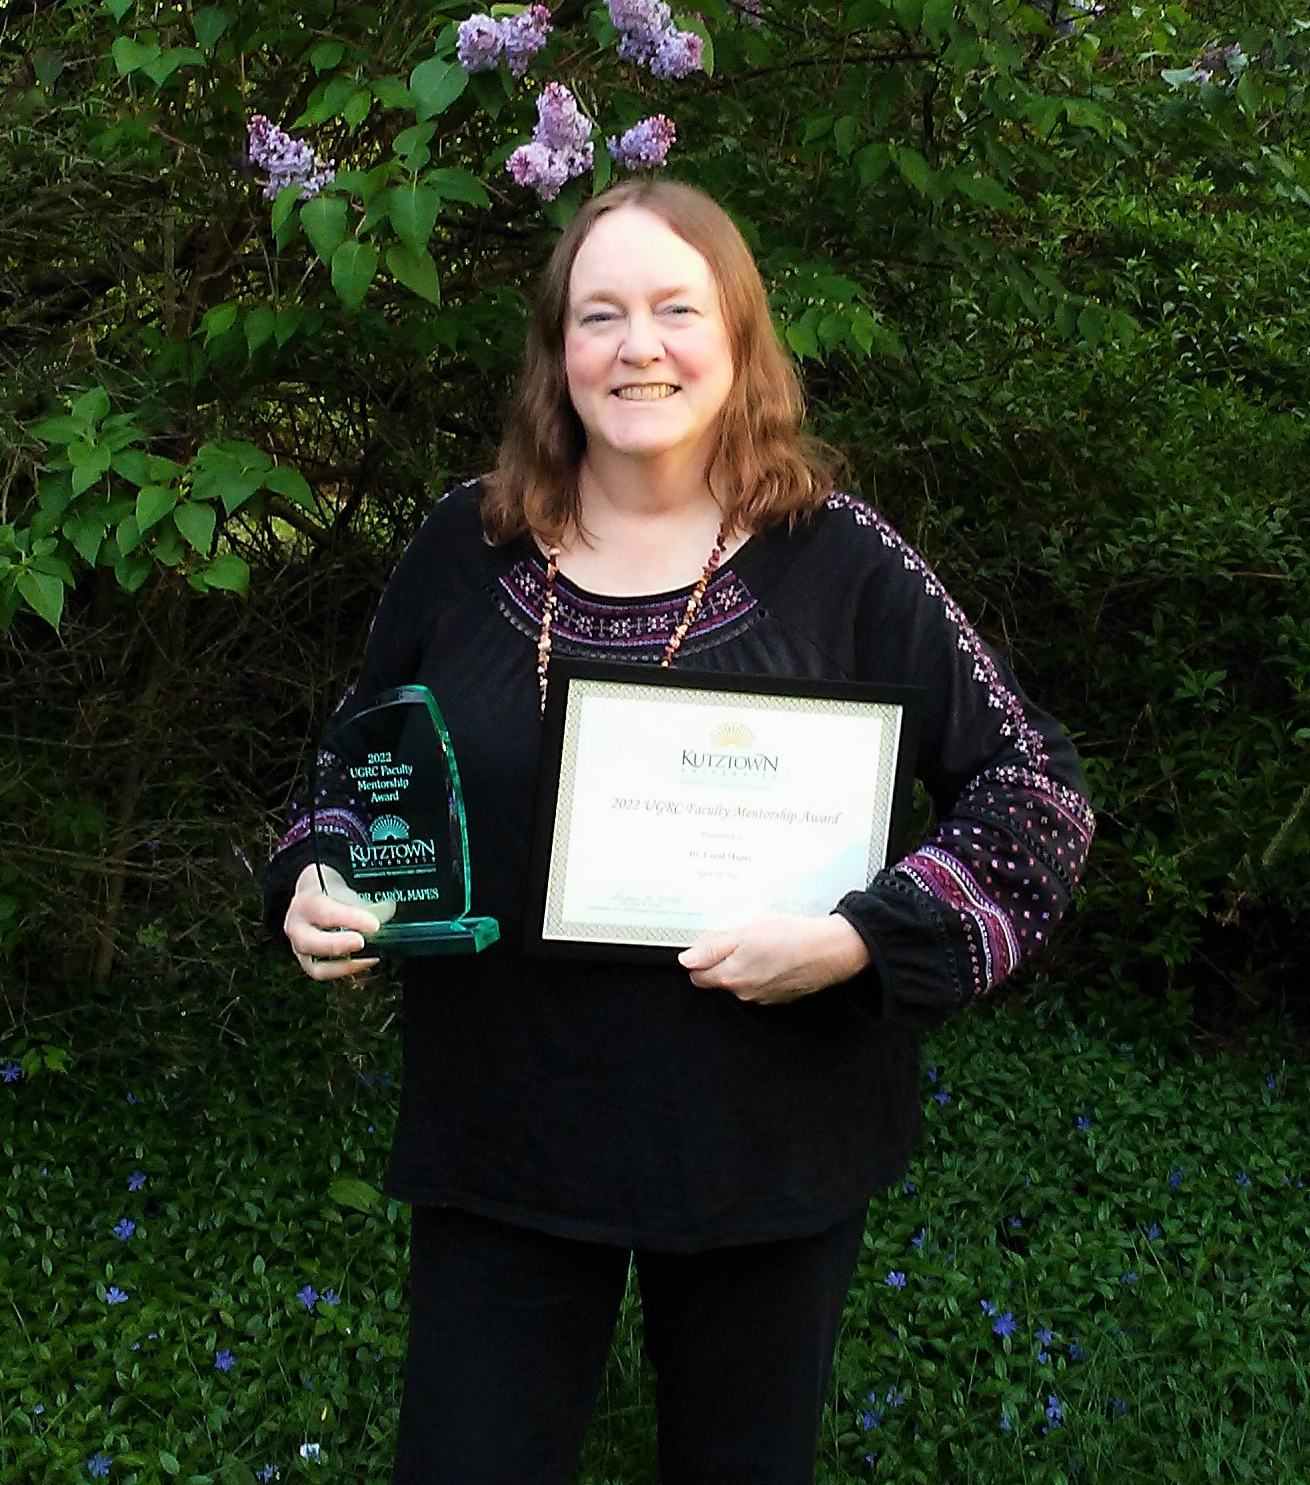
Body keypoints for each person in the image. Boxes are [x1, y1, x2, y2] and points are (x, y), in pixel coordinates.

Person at [262, 179, 1094, 1485]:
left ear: (739, 339)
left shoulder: (842, 561)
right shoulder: (463, 543)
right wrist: (320, 863)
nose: (636, 345)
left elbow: (1034, 791)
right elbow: (358, 748)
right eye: (598, 314)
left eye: (673, 308)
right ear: (557, 354)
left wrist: (857, 940)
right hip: (506, 1132)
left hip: (764, 1146)